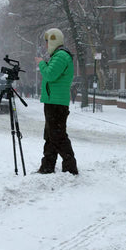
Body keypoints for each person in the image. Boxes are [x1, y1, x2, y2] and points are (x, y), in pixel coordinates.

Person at [34, 28, 78, 175]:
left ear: (54, 40)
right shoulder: (59, 56)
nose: (46, 45)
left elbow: (50, 75)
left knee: (57, 136)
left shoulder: (60, 56)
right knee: (51, 135)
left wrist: (41, 63)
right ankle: (47, 167)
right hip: (54, 101)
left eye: (47, 41)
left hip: (56, 103)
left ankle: (70, 167)